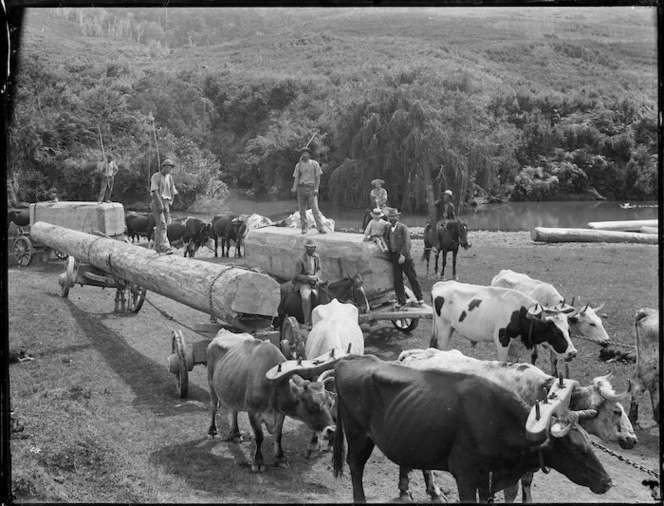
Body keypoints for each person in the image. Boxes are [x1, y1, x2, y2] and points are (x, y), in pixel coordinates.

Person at [383, 208, 424, 308]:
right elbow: (385, 240)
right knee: (397, 280)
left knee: (412, 277)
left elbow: (407, 243)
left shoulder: (403, 228)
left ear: (398, 217)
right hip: (394, 256)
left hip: (405, 256)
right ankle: (401, 300)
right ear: (388, 218)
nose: (392, 218)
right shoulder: (388, 229)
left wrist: (403, 255)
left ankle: (420, 297)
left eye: (394, 216)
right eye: (390, 217)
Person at [291, 147, 327, 235]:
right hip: (301, 188)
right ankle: (304, 227)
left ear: (309, 155)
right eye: (303, 153)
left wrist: (316, 188)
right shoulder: (298, 165)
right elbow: (297, 177)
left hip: (311, 188)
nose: (304, 155)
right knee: (302, 210)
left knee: (315, 208)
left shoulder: (314, 164)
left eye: (306, 153)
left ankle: (320, 227)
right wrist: (294, 188)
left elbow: (318, 177)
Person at [292, 238, 324, 328]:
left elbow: (319, 269)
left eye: (313, 248)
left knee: (326, 291)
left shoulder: (316, 257)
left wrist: (316, 277)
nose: (311, 249)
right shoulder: (300, 259)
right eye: (309, 248)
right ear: (305, 248)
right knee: (306, 299)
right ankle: (307, 322)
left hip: (315, 279)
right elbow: (297, 275)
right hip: (304, 282)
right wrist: (309, 278)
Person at [150, 158, 178, 255]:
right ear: (163, 167)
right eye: (166, 167)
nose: (168, 170)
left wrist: (171, 201)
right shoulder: (156, 176)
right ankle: (166, 247)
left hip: (166, 202)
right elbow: (154, 191)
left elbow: (173, 189)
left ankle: (157, 247)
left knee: (163, 225)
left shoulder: (169, 178)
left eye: (170, 168)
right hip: (158, 201)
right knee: (162, 225)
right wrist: (159, 203)